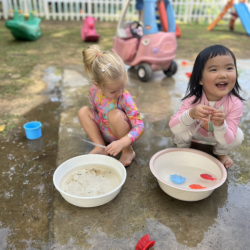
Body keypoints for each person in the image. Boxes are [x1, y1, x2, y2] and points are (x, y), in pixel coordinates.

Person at [169, 45, 244, 168]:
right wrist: (191, 114)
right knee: (180, 126)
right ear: (200, 79)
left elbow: (228, 140)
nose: (223, 75)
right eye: (214, 70)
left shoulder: (235, 103)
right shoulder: (193, 99)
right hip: (195, 132)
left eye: (229, 68)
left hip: (219, 137)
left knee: (238, 136)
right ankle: (183, 148)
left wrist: (221, 125)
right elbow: (173, 127)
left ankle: (220, 152)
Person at [78, 45, 145, 167]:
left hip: (122, 136)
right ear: (98, 85)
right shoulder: (93, 91)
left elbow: (139, 126)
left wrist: (123, 142)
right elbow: (97, 113)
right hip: (105, 131)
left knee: (114, 114)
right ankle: (100, 146)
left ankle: (128, 151)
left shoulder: (124, 97)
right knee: (83, 111)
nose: (119, 93)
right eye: (113, 91)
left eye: (123, 87)